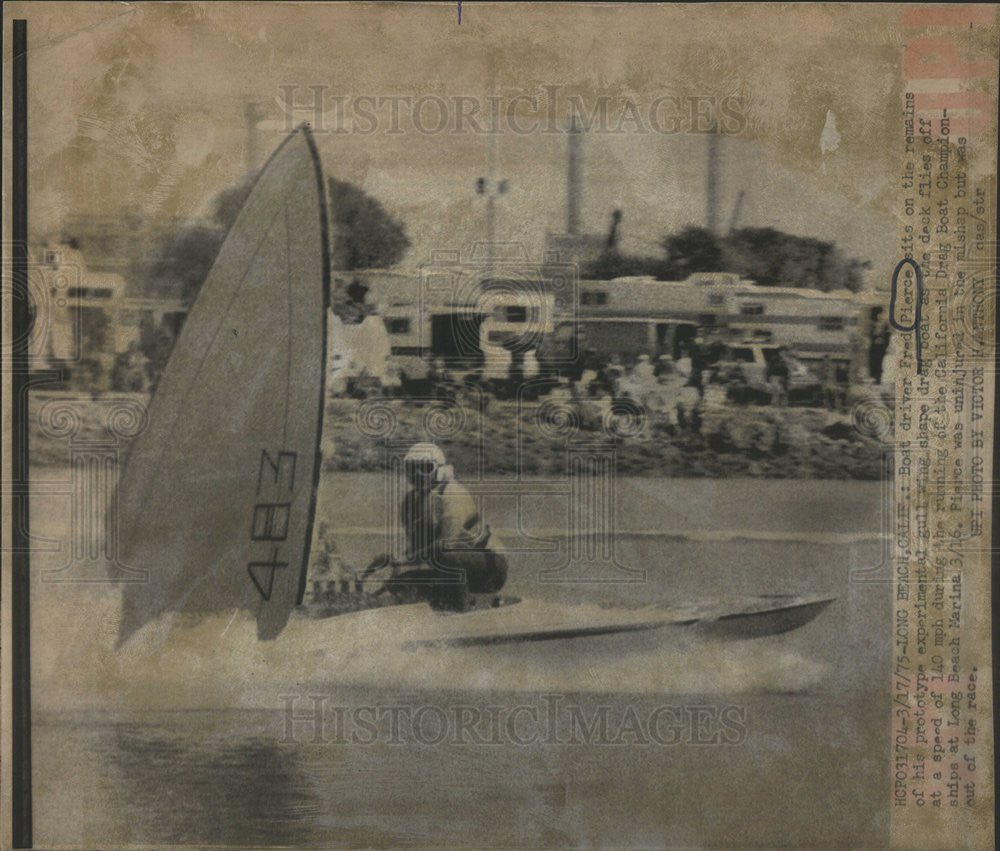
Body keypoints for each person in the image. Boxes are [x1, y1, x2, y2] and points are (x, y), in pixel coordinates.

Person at [375, 443, 508, 610]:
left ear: (439, 470)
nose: (417, 474)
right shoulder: (409, 503)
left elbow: (447, 543)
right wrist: (393, 571)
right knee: (402, 580)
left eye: (425, 468)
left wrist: (405, 559)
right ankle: (430, 611)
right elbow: (417, 551)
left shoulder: (451, 494)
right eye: (412, 468)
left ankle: (459, 612)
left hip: (490, 567)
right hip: (455, 563)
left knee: (444, 556)